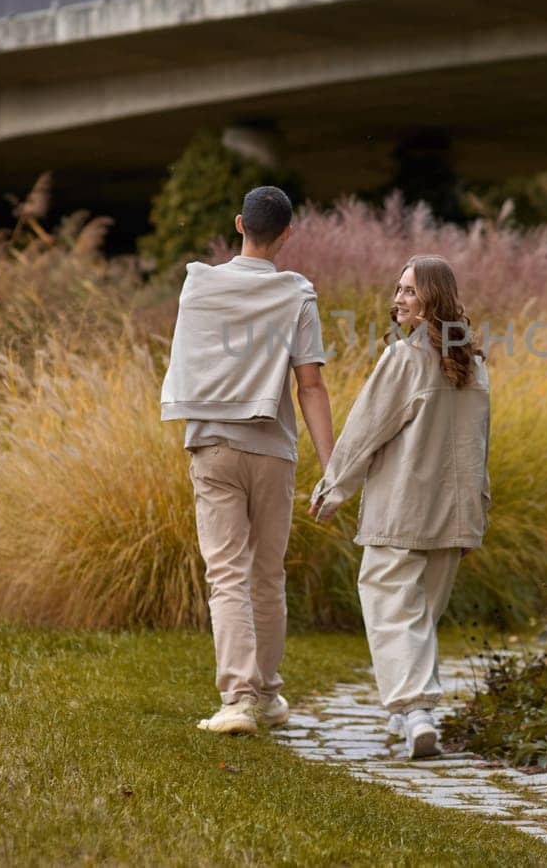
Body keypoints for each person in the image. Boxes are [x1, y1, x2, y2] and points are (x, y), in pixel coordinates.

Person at [161, 186, 334, 735]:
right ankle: (268, 695)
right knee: (266, 575)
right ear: (287, 234)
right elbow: (310, 387)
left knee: (228, 574)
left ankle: (238, 700)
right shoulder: (297, 295)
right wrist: (332, 465)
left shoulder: (199, 287)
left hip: (213, 445)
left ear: (239, 224)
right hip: (272, 451)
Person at [307, 254, 491, 759]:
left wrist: (331, 489)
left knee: (393, 612)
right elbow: (481, 447)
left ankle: (415, 713)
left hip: (402, 514)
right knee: (419, 620)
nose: (398, 299)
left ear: (434, 298)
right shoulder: (474, 366)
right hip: (453, 517)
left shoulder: (404, 359)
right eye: (398, 289)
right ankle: (412, 715)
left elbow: (365, 430)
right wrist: (477, 513)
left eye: (410, 290)